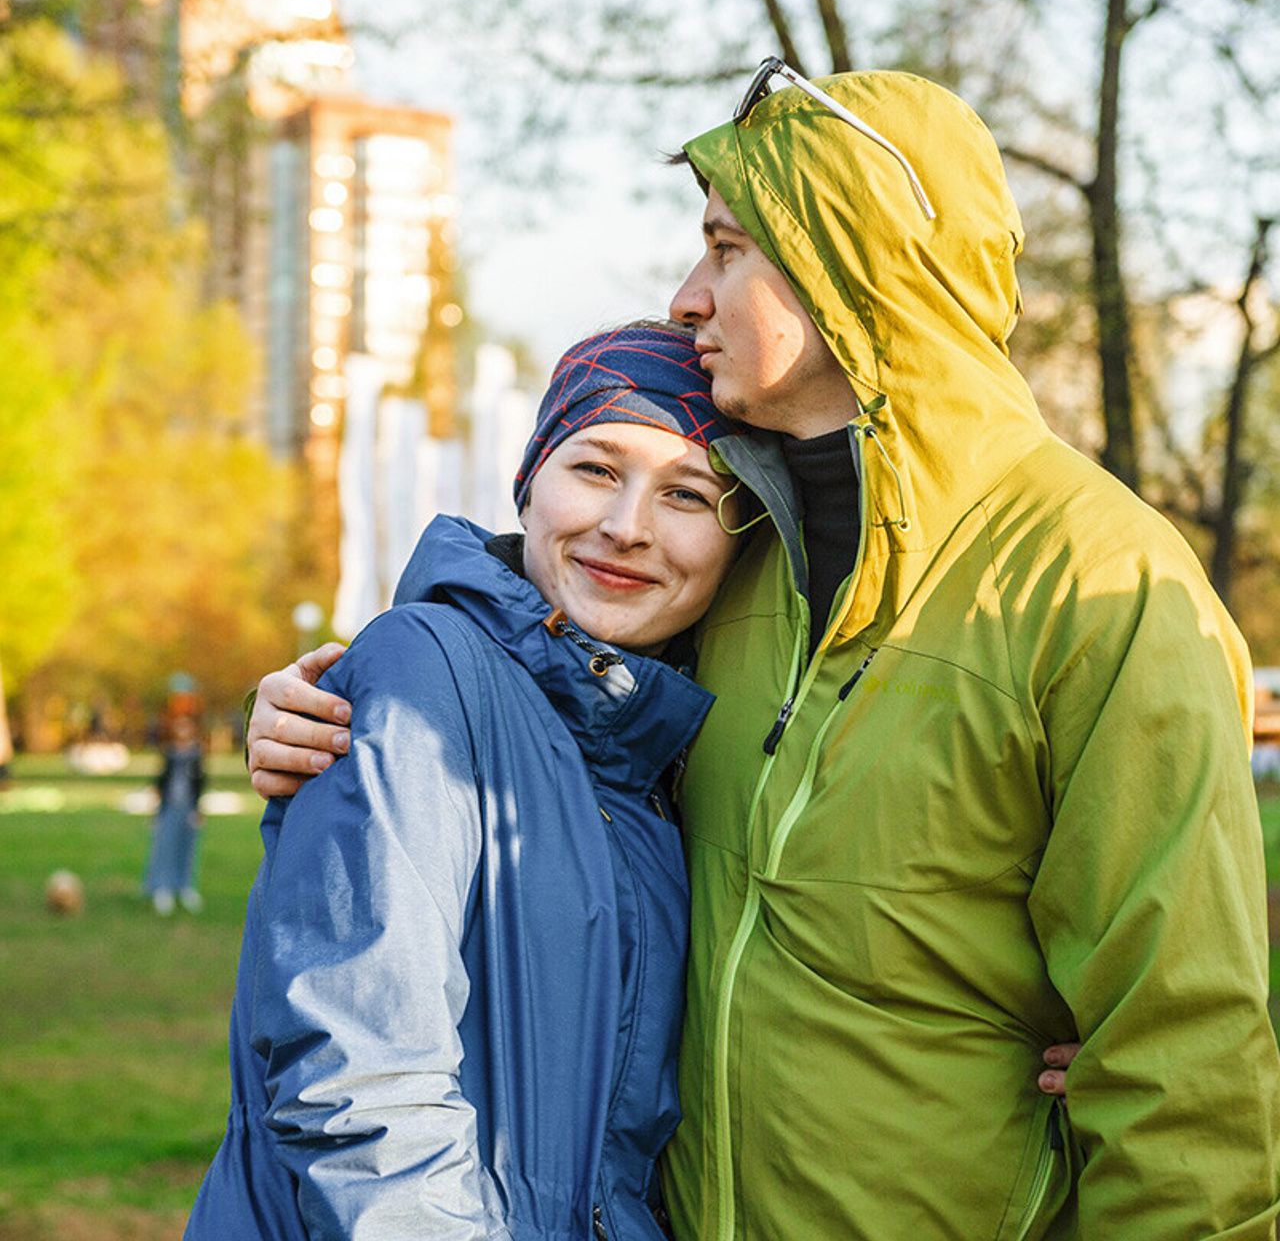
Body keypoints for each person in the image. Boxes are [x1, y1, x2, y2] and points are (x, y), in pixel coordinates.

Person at [249, 65, 1280, 1238]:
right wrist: (346, 699)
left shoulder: (1104, 584)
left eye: (726, 249)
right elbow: (549, 660)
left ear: (852, 264)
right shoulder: (740, 559)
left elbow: (1181, 1061)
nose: (688, 296)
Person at [185, 323, 744, 1240]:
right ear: (529, 481)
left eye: (688, 495)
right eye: (596, 469)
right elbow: (360, 1081)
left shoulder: (658, 753)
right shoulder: (424, 670)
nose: (626, 526)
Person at [144, 712, 205, 916]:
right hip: (170, 805)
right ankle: (162, 887)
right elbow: (161, 780)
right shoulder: (169, 753)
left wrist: (197, 809)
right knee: (164, 846)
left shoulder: (196, 754)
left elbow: (200, 783)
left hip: (188, 807)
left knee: (186, 847)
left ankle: (185, 886)